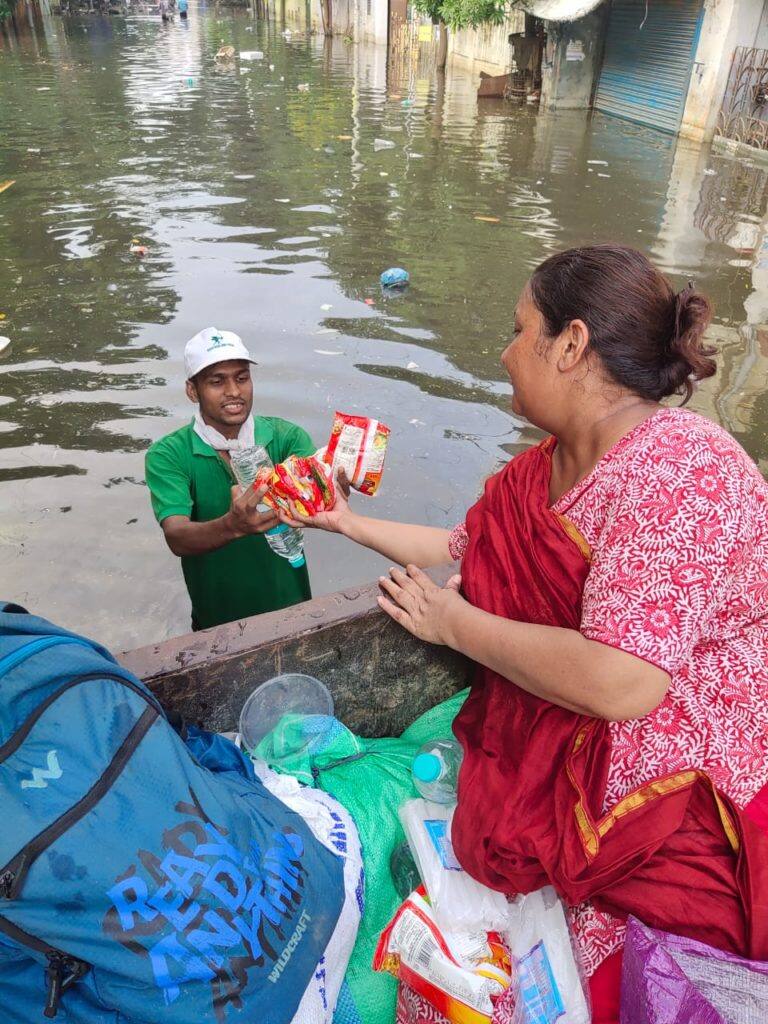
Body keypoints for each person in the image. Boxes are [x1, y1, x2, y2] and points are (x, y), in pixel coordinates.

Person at [281, 246, 768, 1021]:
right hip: (572, 743)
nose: (505, 352)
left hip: (684, 774)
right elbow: (461, 547)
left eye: (519, 330)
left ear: (571, 344)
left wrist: (455, 624)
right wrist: (344, 522)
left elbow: (625, 681)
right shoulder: (540, 472)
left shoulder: (681, 467)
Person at [145, 327, 316, 631]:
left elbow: (318, 492)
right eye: (216, 381)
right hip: (217, 626)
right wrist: (232, 526)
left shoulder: (286, 438)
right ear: (192, 390)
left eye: (241, 378)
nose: (234, 391)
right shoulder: (169, 454)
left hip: (294, 612)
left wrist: (337, 484)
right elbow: (177, 535)